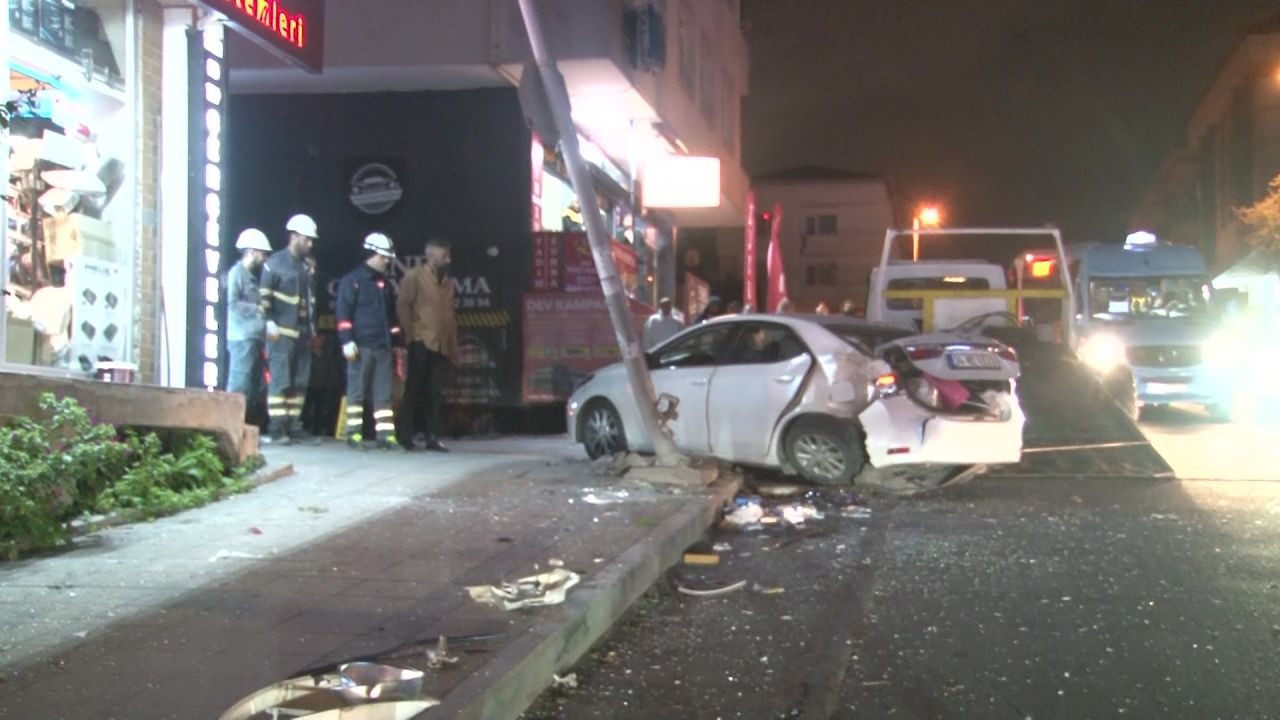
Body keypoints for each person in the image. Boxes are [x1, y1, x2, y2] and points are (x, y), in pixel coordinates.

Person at [337, 232, 404, 451]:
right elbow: (343, 314)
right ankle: (353, 434)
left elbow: (391, 317)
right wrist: (347, 340)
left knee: (383, 395)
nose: (387, 261)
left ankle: (386, 436)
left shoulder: (383, 284)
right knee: (356, 392)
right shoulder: (352, 281)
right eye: (384, 256)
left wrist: (396, 342)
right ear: (371, 254)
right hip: (360, 347)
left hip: (382, 347)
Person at [260, 213, 320, 445]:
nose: (310, 244)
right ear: (294, 237)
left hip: (302, 334)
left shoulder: (304, 267)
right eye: (307, 239)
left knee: (299, 381)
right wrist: (269, 320)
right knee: (280, 380)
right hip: (281, 334)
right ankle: (277, 428)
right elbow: (263, 297)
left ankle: (293, 425)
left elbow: (309, 301)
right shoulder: (273, 264)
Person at [397, 238, 458, 452]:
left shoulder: (447, 282)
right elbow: (403, 305)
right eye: (444, 256)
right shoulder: (414, 277)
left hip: (441, 344)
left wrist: (453, 345)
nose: (448, 260)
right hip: (421, 342)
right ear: (432, 257)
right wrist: (411, 334)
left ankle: (433, 436)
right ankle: (406, 435)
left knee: (435, 392)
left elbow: (450, 316)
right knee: (414, 390)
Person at [225, 228, 271, 422]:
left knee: (253, 387)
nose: (264, 258)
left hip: (254, 338)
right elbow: (233, 304)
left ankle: (247, 429)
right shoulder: (237, 273)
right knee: (239, 385)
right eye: (262, 253)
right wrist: (258, 309)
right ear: (251, 251)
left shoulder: (251, 276)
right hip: (242, 339)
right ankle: (231, 426)